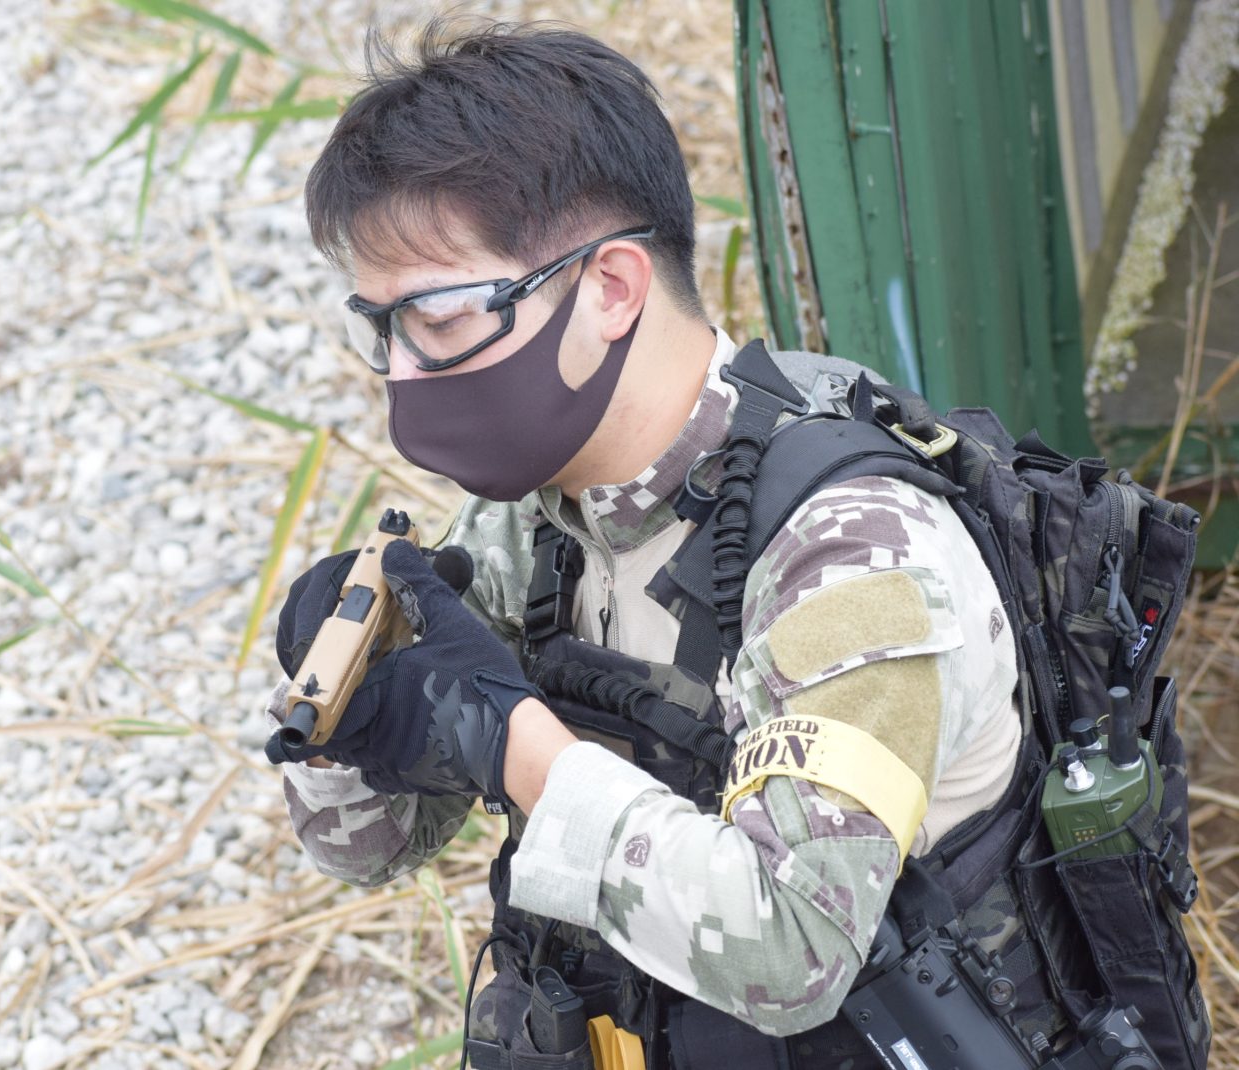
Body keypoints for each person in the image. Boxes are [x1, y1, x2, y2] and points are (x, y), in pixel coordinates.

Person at [264, 19, 1049, 1068]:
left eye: (439, 319)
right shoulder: (535, 518)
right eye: (382, 327)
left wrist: (508, 740)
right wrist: (348, 700)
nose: (403, 373)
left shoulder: (851, 548)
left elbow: (792, 948)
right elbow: (364, 849)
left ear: (611, 287)